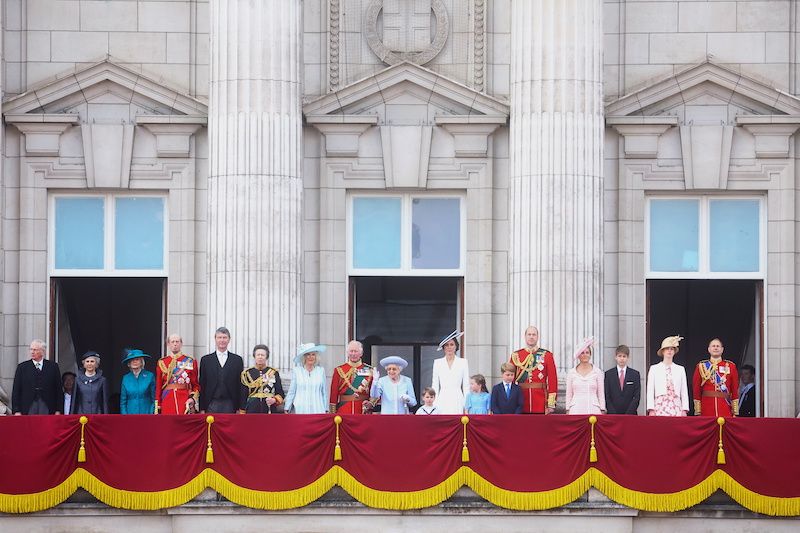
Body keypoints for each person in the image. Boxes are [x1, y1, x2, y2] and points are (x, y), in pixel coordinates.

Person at [509, 326, 557, 414]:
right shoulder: (516, 356)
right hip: (521, 400)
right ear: (525, 336)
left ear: (537, 337)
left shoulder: (547, 355)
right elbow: (510, 379)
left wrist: (550, 403)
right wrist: (511, 400)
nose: (531, 337)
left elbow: (552, 380)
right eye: (529, 334)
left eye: (534, 335)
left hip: (541, 401)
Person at [199, 327, 244, 413]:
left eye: (224, 337)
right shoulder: (206, 360)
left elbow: (240, 385)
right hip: (211, 403)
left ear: (229, 339)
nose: (222, 340)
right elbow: (202, 384)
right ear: (215, 339)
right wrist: (202, 408)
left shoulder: (237, 360)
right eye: (219, 337)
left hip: (231, 403)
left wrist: (240, 407)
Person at [12, 339, 63, 415]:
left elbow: (58, 389)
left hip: (48, 405)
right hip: (28, 405)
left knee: (45, 426)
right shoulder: (22, 367)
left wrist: (58, 409)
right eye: (31, 349)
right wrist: (16, 410)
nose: (32, 352)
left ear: (43, 351)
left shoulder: (53, 367)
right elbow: (16, 390)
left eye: (35, 350)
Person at [693, 338, 739, 417]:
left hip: (725, 408)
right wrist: (698, 411)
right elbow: (696, 389)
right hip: (706, 408)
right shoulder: (701, 366)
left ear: (722, 349)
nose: (715, 348)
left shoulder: (731, 366)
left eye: (718, 346)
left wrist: (735, 412)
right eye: (713, 346)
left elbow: (735, 389)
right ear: (709, 349)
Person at [155, 334, 200, 414]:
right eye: (172, 342)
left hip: (184, 400)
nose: (175, 344)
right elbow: (158, 386)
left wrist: (192, 399)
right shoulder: (162, 362)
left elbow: (195, 385)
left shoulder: (190, 361)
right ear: (168, 344)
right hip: (167, 400)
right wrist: (158, 405)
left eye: (177, 342)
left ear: (181, 344)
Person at [646, 336, 689, 416]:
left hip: (676, 406)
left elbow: (684, 390)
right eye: (667, 348)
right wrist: (651, 409)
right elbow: (650, 390)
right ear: (663, 351)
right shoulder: (654, 368)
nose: (669, 351)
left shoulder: (680, 369)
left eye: (672, 349)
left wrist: (684, 409)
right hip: (659, 406)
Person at [329, 340, 373, 415]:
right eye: (351, 351)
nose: (353, 354)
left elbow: (373, 391)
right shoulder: (339, 370)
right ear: (347, 353)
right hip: (344, 409)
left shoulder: (370, 370)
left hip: (362, 410)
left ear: (361, 353)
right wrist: (332, 413)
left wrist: (370, 403)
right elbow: (334, 393)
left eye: (356, 351)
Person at [431, 330, 470, 414]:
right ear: (443, 347)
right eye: (447, 345)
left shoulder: (463, 362)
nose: (449, 347)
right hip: (442, 397)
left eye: (452, 344)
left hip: (458, 397)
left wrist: (466, 404)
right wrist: (434, 402)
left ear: (456, 346)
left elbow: (466, 385)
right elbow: (435, 384)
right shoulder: (438, 363)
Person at [240, 344, 285, 414]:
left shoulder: (273, 372)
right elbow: (243, 395)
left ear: (266, 357)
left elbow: (280, 393)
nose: (260, 357)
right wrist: (242, 411)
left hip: (269, 408)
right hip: (252, 408)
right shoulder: (247, 373)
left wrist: (274, 399)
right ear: (254, 356)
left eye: (262, 355)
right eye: (258, 355)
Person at [565, 337, 606, 415]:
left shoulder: (597, 372)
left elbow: (601, 393)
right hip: (575, 409)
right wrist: (567, 409)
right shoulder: (571, 372)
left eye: (587, 352)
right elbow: (569, 394)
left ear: (590, 355)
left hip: (593, 409)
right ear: (578, 355)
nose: (585, 355)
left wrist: (602, 409)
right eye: (582, 353)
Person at [284, 343, 328, 414]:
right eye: (308, 354)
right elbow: (292, 391)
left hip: (318, 408)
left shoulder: (321, 371)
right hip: (300, 409)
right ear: (304, 357)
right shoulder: (297, 371)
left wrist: (326, 408)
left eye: (313, 354)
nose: (310, 357)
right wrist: (287, 407)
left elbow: (324, 392)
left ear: (316, 357)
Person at [604, 345, 641, 415]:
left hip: (630, 415)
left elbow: (636, 397)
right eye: (619, 356)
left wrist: (629, 413)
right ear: (615, 357)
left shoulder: (635, 374)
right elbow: (607, 396)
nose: (622, 359)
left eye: (624, 356)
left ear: (628, 358)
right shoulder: (608, 374)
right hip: (613, 414)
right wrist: (613, 413)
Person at [119, 349, 155, 415]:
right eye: (132, 360)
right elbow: (123, 402)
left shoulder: (149, 376)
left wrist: (151, 413)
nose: (134, 362)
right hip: (130, 414)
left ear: (142, 362)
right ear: (129, 363)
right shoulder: (126, 378)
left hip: (146, 413)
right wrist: (124, 416)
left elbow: (154, 399)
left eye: (137, 359)